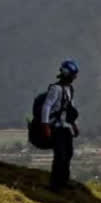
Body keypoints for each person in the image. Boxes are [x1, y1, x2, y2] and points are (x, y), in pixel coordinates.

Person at [41, 59, 80, 191]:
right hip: (56, 127)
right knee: (60, 155)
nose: (74, 78)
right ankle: (55, 184)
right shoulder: (55, 89)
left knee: (68, 153)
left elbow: (70, 108)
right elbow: (46, 107)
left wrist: (74, 124)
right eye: (73, 75)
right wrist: (45, 125)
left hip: (65, 127)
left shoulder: (69, 89)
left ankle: (64, 181)